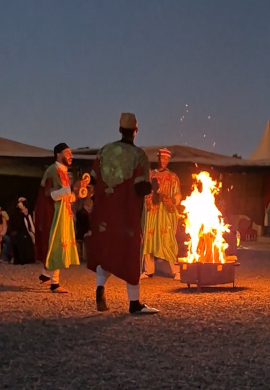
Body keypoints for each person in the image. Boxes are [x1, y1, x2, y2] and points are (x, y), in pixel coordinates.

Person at [87, 113, 159, 315]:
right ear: (136, 131)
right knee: (129, 253)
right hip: (126, 212)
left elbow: (93, 178)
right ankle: (134, 303)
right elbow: (140, 187)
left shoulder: (104, 151)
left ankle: (100, 289)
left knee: (107, 250)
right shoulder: (139, 155)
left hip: (104, 211)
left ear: (119, 130)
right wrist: (152, 186)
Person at [34, 143, 85, 293]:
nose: (71, 156)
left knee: (56, 245)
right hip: (54, 215)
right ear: (58, 154)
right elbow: (52, 195)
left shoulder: (63, 171)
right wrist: (72, 188)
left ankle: (45, 275)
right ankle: (54, 283)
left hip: (63, 213)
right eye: (67, 153)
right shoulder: (53, 171)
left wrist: (80, 191)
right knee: (56, 246)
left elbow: (66, 196)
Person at [141, 148, 182, 280]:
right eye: (162, 158)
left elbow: (178, 195)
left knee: (168, 240)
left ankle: (176, 271)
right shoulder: (150, 175)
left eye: (166, 159)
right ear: (158, 158)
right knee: (148, 239)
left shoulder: (173, 177)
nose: (164, 161)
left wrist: (173, 201)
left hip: (165, 212)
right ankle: (148, 270)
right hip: (152, 212)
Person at [9, 197, 36, 265]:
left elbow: (31, 225)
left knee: (27, 238)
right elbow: (17, 225)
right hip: (18, 232)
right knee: (21, 238)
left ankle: (29, 259)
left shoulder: (30, 214)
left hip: (27, 232)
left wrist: (26, 215)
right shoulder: (16, 214)